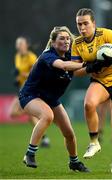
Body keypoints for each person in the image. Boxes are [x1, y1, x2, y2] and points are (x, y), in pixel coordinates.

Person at [71, 8, 112, 174]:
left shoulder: (106, 34)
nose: (82, 28)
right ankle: (94, 142)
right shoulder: (77, 44)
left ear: (94, 23)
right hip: (100, 80)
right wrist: (90, 67)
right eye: (79, 24)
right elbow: (75, 71)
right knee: (89, 104)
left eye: (86, 23)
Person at [19, 26, 89, 172]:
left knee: (69, 133)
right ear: (53, 42)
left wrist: (98, 63)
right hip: (31, 95)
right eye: (62, 38)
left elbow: (81, 68)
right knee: (47, 115)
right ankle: (29, 154)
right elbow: (63, 66)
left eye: (68, 38)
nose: (66, 41)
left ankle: (74, 162)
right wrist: (85, 64)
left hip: (51, 99)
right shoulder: (47, 56)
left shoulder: (72, 56)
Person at [9, 36, 50, 147]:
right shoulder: (17, 56)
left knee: (14, 113)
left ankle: (44, 139)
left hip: (31, 88)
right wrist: (17, 79)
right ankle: (45, 139)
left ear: (26, 45)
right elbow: (20, 72)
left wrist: (21, 74)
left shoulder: (32, 57)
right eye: (18, 44)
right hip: (22, 88)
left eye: (21, 44)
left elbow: (35, 74)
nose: (19, 46)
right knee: (24, 116)